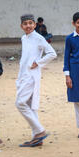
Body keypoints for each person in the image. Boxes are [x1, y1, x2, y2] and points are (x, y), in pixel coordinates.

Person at [16, 14, 57, 147]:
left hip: (31, 76)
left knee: (20, 103)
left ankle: (39, 131)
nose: (28, 26)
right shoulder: (24, 38)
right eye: (25, 24)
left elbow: (52, 53)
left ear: (34, 25)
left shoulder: (39, 38)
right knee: (30, 105)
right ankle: (37, 138)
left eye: (30, 23)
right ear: (21, 26)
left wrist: (38, 62)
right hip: (23, 75)